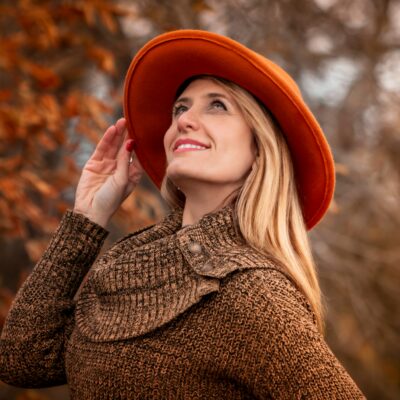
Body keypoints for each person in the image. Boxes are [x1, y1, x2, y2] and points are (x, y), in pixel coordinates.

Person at [0, 30, 365, 399]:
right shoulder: (127, 267)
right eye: (181, 108)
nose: (185, 120)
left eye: (217, 105)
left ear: (260, 149)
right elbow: (23, 357)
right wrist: (87, 218)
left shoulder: (253, 293)